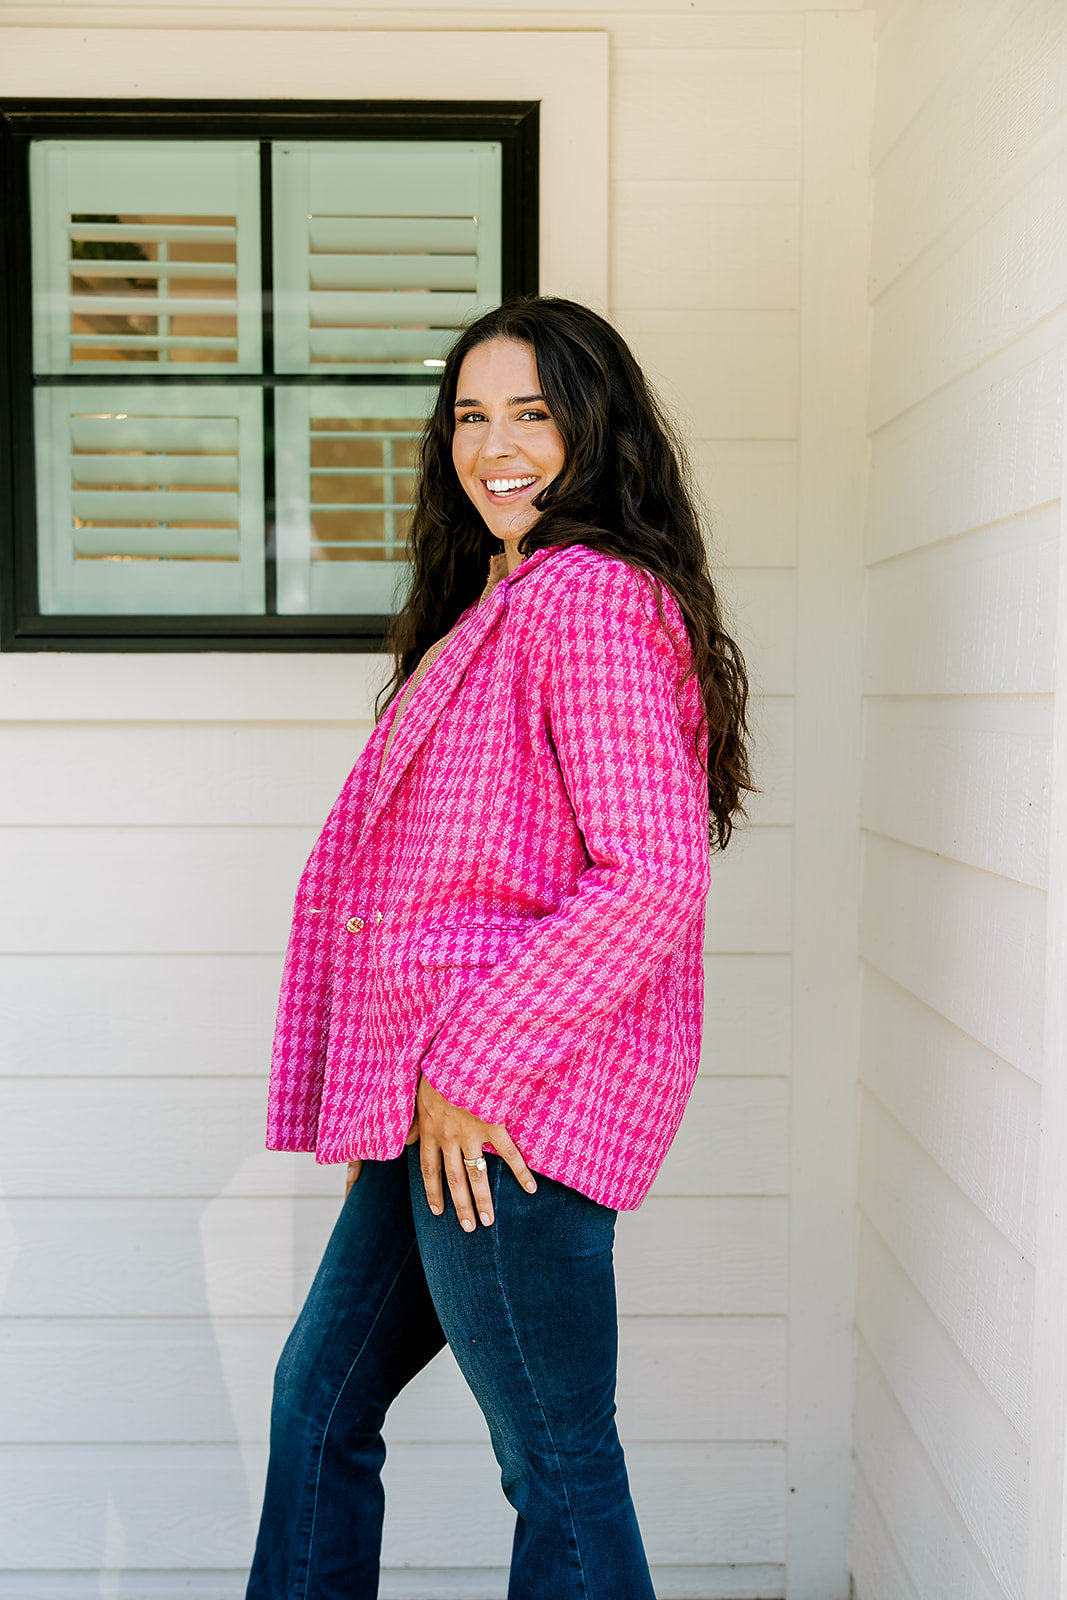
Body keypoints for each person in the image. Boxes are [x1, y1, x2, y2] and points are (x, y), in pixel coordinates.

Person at [245, 297, 753, 1600]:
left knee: (559, 1462)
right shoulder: (512, 595)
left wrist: (472, 1059)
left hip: (505, 1108)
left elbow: (651, 876)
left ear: (598, 429)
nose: (495, 443)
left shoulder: (584, 599)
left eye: (532, 411)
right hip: (445, 1106)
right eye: (472, 415)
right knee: (319, 1404)